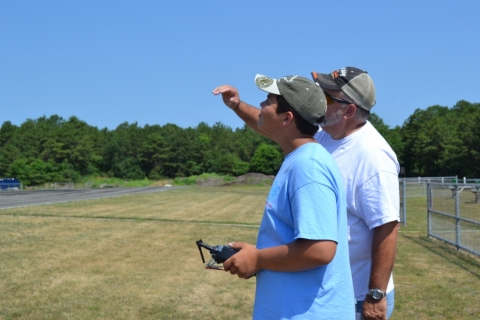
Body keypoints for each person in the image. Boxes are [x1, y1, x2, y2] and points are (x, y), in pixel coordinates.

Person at [213, 67, 400, 320]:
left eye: (328, 97)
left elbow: (386, 227)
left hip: (346, 296)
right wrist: (237, 105)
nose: (319, 100)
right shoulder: (319, 139)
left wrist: (375, 294)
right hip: (313, 289)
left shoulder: (371, 156)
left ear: (349, 110)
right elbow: (273, 124)